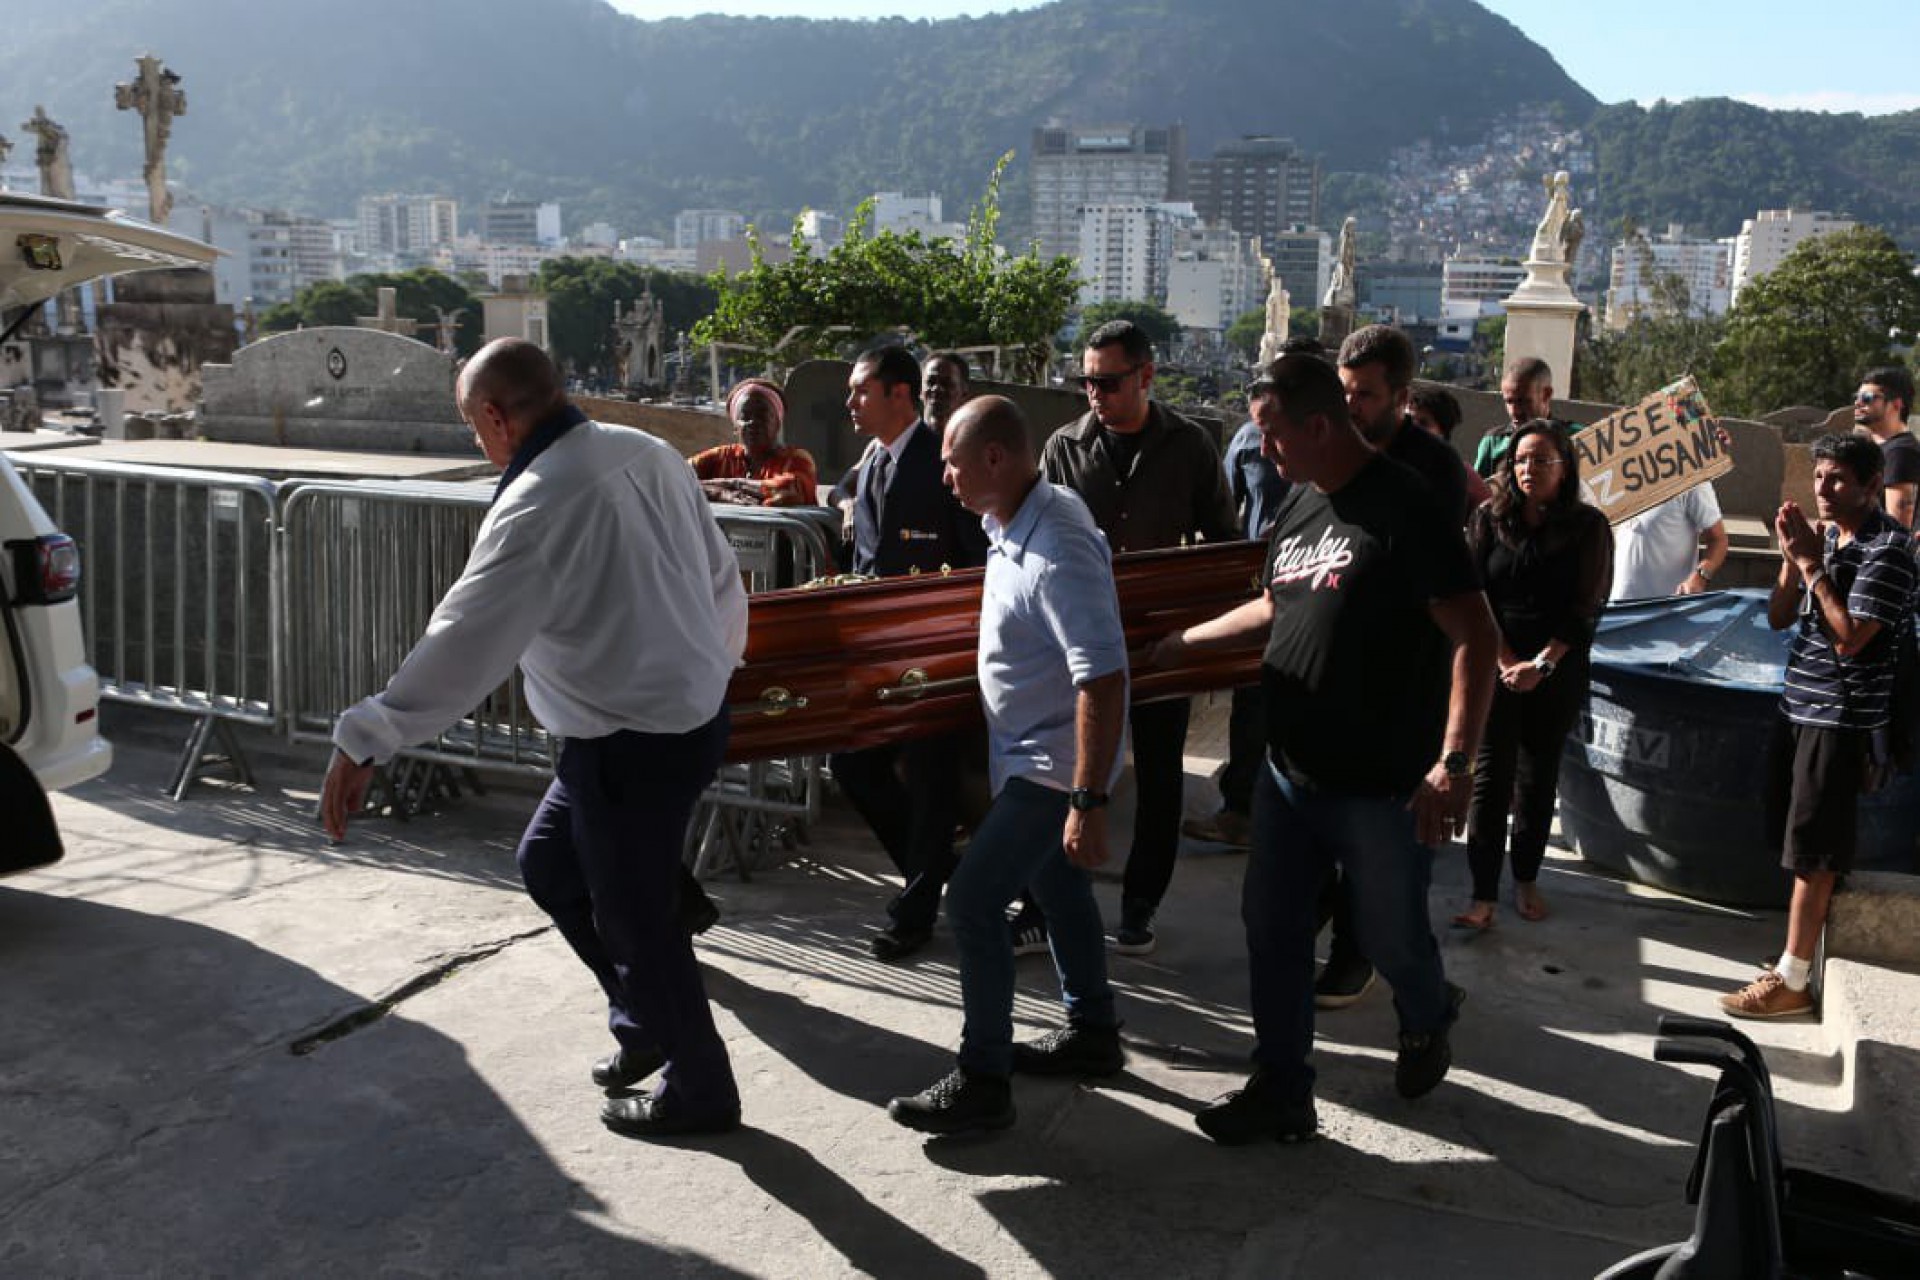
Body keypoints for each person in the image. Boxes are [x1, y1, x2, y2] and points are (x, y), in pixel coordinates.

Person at [319, 339, 748, 1139]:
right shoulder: (647, 452)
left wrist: (366, 735)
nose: (475, 443)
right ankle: (644, 1019)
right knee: (549, 863)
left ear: (494, 415)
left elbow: (462, 644)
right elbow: (722, 574)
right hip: (673, 720)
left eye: (470, 425)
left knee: (638, 923)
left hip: (632, 740)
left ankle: (702, 1090)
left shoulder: (540, 504)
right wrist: (711, 668)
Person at [1150, 353, 1497, 1143]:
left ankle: (1427, 1008)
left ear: (1317, 426)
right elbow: (1275, 603)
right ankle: (1281, 1087)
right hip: (1290, 773)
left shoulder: (1405, 506)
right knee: (1270, 926)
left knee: (1388, 936)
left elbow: (1477, 633)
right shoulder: (1302, 503)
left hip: (1378, 785)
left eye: (1270, 434)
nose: (1261, 449)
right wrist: (1186, 642)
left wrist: (1455, 762)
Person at [887, 395, 1129, 1135]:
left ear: (995, 458)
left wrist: (1086, 800)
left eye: (953, 462)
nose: (946, 477)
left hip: (1054, 767)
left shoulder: (1056, 542)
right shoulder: (1008, 521)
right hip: (1030, 755)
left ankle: (984, 1077)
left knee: (971, 903)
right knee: (1057, 889)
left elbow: (1103, 674)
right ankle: (1093, 1033)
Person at [1040, 319, 1240, 955]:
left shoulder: (1190, 447)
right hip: (1077, 637)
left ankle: (1140, 903)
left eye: (1107, 381)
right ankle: (1051, 901)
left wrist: (1198, 631)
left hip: (1159, 637)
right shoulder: (1063, 448)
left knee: (1160, 777)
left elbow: (1225, 544)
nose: (1094, 393)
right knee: (1065, 772)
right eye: (1086, 381)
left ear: (1147, 376)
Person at [1722, 434, 1915, 1019]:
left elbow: (1853, 637)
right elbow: (1782, 617)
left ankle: (1793, 981)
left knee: (1816, 852)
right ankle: (1791, 959)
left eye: (1836, 480)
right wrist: (1793, 559)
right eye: (1818, 477)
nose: (1822, 490)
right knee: (1796, 839)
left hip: (1843, 717)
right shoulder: (1828, 538)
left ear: (1871, 485)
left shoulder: (1890, 550)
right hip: (1799, 706)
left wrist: (1810, 563)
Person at [1313, 325, 1476, 1012]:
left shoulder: (1428, 471)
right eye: (1342, 392)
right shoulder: (1331, 452)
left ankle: (1392, 973)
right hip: (1333, 686)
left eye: (1366, 395)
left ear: (1403, 397)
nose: (1351, 407)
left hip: (1405, 687)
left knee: (1388, 854)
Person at [831, 345, 989, 962]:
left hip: (937, 656)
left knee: (931, 783)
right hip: (878, 656)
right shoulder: (871, 464)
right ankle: (932, 872)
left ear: (900, 394)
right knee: (854, 766)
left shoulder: (941, 461)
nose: (850, 404)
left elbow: (978, 554)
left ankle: (917, 908)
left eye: (861, 391)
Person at [1455, 420, 1612, 929]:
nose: (1528, 469)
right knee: (1489, 779)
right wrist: (1505, 661)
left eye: (1541, 460)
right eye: (1521, 460)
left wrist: (1543, 663)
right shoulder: (1488, 518)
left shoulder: (1588, 527)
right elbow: (1474, 595)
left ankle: (1525, 878)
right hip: (1495, 667)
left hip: (1557, 669)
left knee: (1537, 777)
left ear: (1564, 468)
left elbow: (1587, 605)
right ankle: (1481, 895)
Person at [1183, 339, 1314, 849]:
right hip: (1260, 594)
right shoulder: (1244, 442)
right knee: (1251, 706)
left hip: (1317, 602)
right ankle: (1239, 809)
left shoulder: (1343, 453)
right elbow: (1225, 520)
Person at [690, 378, 819, 507]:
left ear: (778, 423)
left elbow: (789, 490)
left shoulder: (796, 459)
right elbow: (675, 477)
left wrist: (733, 485)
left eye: (762, 416)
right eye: (744, 417)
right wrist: (716, 493)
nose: (753, 422)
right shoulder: (720, 458)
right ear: (735, 427)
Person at [1607, 483, 1729, 601]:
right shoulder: (1619, 477)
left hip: (1666, 606)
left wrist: (1701, 576)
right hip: (1617, 604)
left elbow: (1718, 539)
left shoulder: (1692, 481)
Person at [1853, 365, 1918, 529]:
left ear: (1896, 404)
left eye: (1867, 397)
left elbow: (1898, 527)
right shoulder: (1883, 447)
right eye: (1857, 396)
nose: (1858, 403)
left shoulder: (1900, 452)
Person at [1411, 384, 1492, 509]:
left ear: (1442, 431)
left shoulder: (1461, 474)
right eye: (1408, 420)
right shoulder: (1388, 465)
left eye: (1423, 423)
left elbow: (1489, 517)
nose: (1413, 429)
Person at [1476, 356, 1555, 479]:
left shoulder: (1575, 436)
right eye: (1509, 401)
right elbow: (1477, 492)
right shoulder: (1494, 442)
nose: (1515, 411)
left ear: (1546, 394)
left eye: (1523, 401)